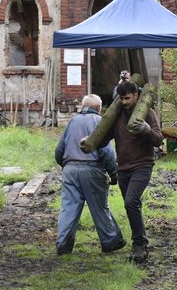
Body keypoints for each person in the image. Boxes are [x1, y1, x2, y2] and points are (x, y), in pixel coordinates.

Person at [97, 80, 163, 262]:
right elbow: (104, 139)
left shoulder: (148, 113)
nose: (124, 102)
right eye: (122, 99)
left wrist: (147, 130)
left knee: (131, 201)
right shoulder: (117, 115)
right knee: (132, 205)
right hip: (123, 167)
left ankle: (139, 245)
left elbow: (158, 140)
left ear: (136, 95)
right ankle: (141, 240)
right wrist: (91, 140)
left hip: (143, 165)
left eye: (127, 98)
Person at [54, 95, 126, 255]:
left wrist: (67, 166)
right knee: (99, 207)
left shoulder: (72, 121)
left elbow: (59, 150)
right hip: (92, 170)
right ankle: (110, 241)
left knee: (68, 208)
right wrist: (114, 174)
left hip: (70, 170)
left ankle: (63, 245)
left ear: (83, 106)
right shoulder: (99, 122)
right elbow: (106, 152)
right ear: (99, 108)